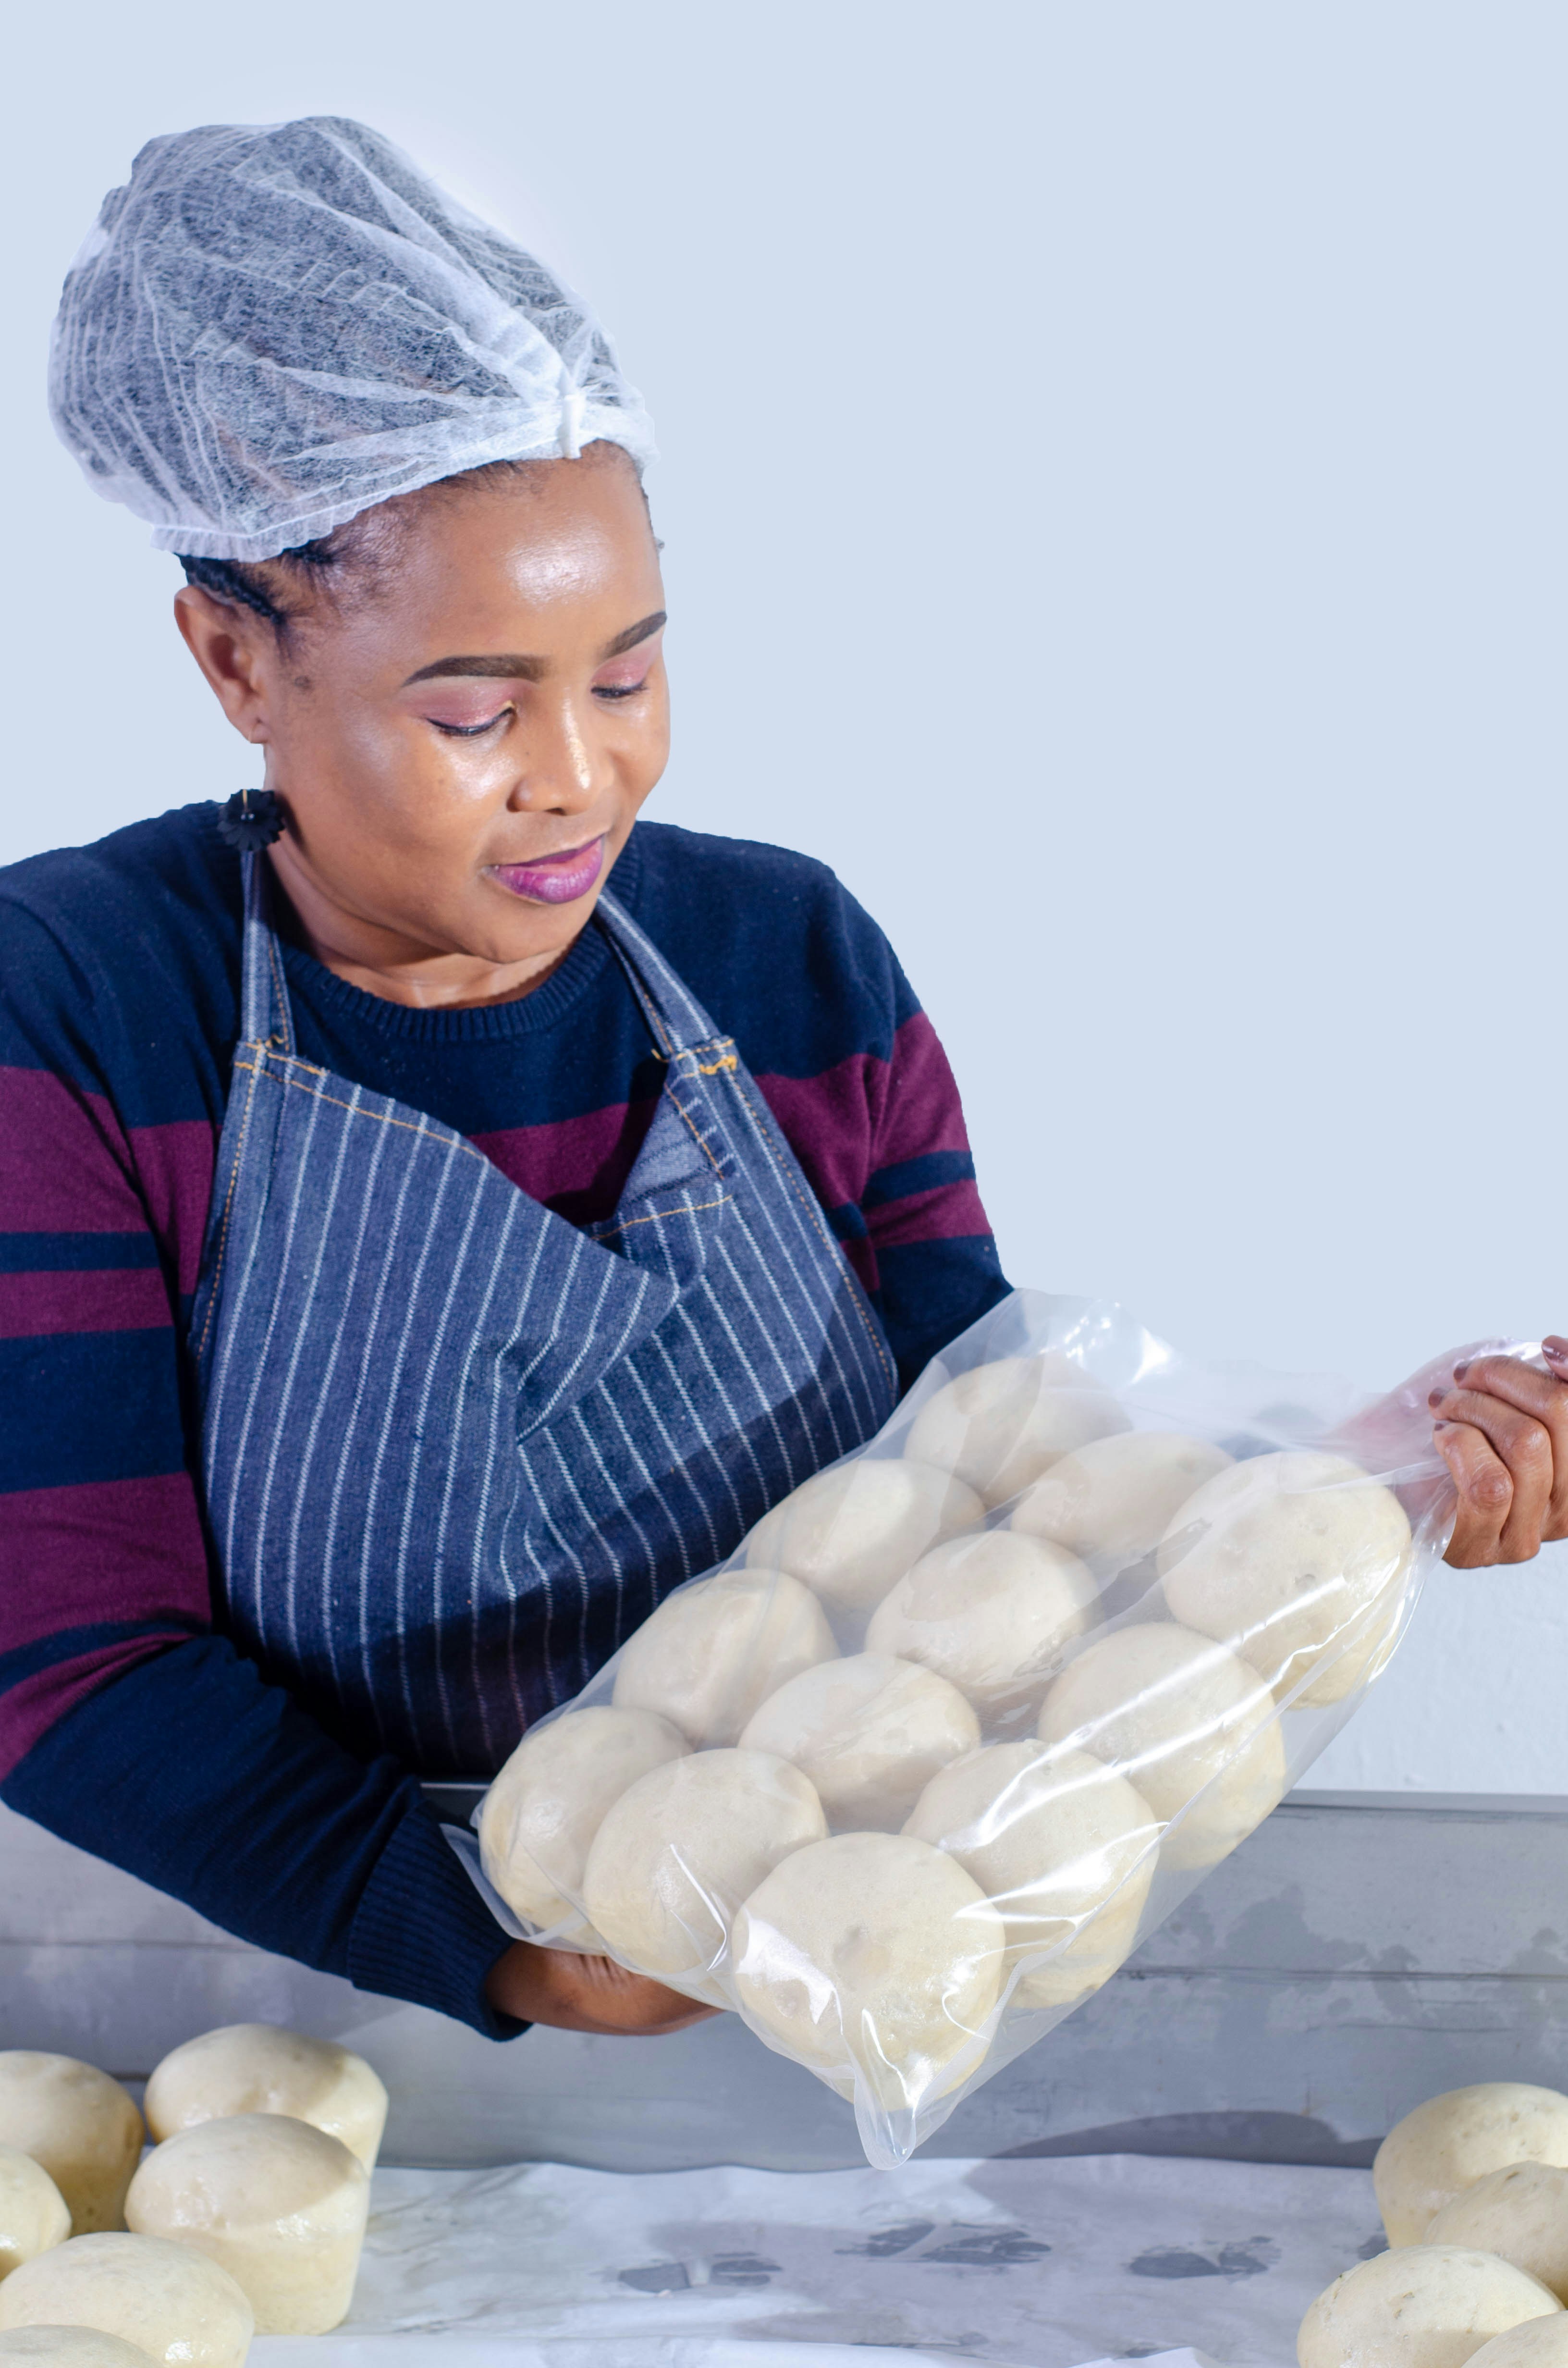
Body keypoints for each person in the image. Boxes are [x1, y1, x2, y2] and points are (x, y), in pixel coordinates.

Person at [3, 119, 1564, 2049]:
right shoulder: (77, 1005)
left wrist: (1367, 1473)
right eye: (477, 710)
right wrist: (507, 1949)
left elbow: (991, 1476)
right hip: (307, 1982)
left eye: (628, 676)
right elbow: (64, 1644)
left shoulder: (786, 957)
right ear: (236, 662)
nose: (579, 777)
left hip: (845, 1960)